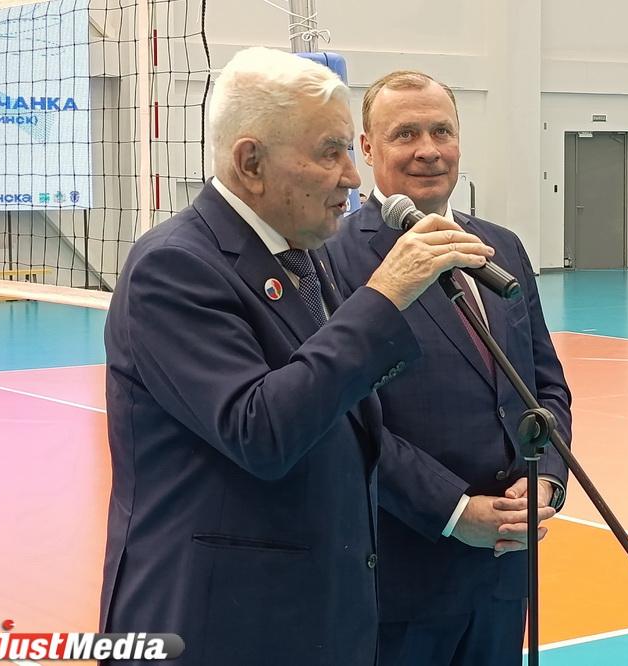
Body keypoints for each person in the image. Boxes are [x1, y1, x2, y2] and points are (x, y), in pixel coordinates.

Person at [98, 48, 495, 666]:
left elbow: (345, 414)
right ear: (251, 163)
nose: (353, 177)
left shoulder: (302, 253)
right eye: (330, 152)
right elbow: (260, 430)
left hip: (314, 614)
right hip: (218, 625)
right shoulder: (174, 266)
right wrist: (385, 296)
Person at [323, 70, 572, 666]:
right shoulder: (332, 258)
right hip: (403, 572)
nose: (428, 150)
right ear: (367, 148)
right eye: (405, 134)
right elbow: (344, 420)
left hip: (506, 569)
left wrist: (545, 478)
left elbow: (544, 384)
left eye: (441, 131)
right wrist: (454, 510)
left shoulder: (502, 248)